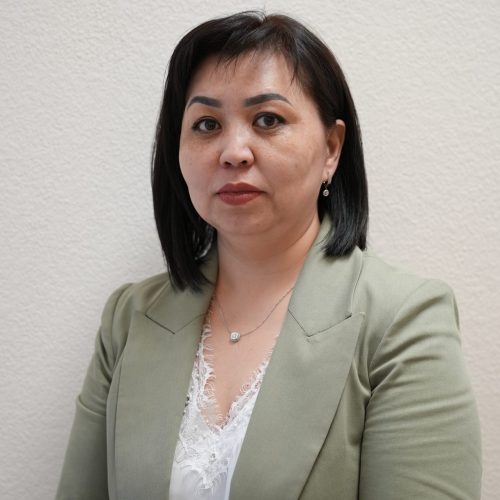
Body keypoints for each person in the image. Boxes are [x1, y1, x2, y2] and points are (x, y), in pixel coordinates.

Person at [56, 11, 481, 500]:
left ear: (331, 148)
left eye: (268, 120)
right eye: (207, 124)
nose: (234, 152)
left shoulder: (404, 321)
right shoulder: (128, 319)